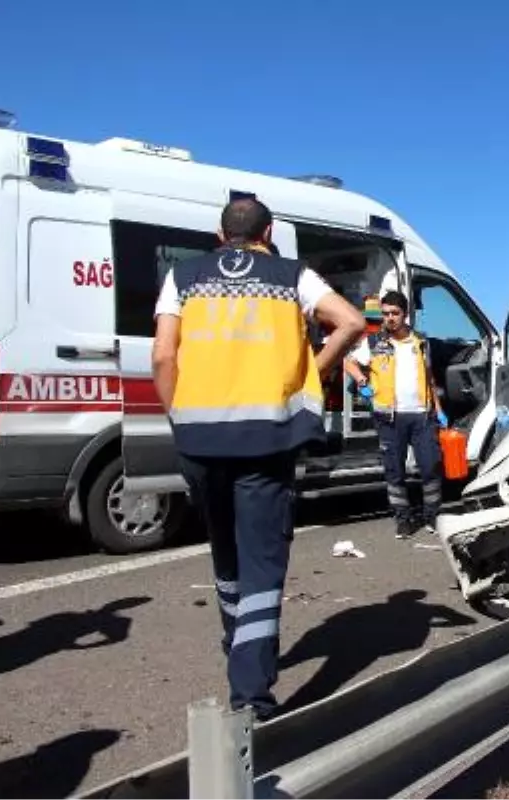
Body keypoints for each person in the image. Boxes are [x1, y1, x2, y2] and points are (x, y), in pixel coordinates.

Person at [151, 197, 365, 720]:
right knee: (263, 564)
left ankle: (237, 641)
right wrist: (308, 374)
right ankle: (250, 697)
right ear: (269, 231)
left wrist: (179, 418)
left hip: (199, 440)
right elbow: (352, 323)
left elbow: (161, 355)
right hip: (264, 439)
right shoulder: (292, 275)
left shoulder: (183, 275)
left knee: (225, 553)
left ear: (219, 233)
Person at [343, 291, 447, 539]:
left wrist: (439, 410)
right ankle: (403, 519)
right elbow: (348, 361)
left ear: (405, 314)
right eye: (385, 313)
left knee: (430, 466)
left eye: (395, 313)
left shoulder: (421, 342)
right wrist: (361, 381)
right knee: (394, 471)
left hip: (422, 415)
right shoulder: (374, 342)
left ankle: (432, 516)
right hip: (389, 417)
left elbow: (430, 378)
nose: (389, 318)